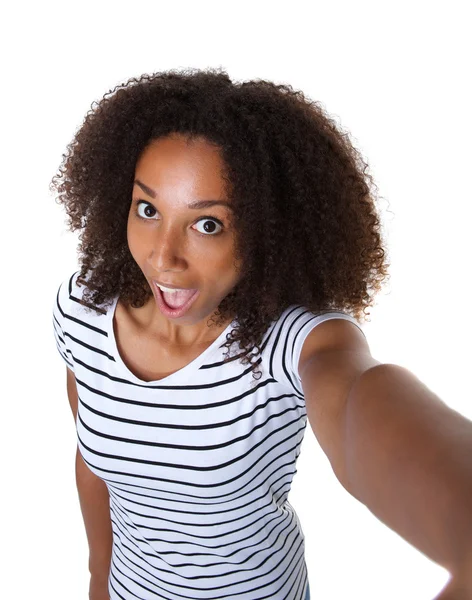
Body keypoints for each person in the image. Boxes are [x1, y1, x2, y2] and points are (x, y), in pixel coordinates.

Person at [51, 68, 472, 600]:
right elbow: (95, 463)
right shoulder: (84, 310)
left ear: (269, 229)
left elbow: (356, 399)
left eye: (208, 224)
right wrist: (97, 579)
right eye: (148, 209)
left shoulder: (289, 344)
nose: (163, 256)